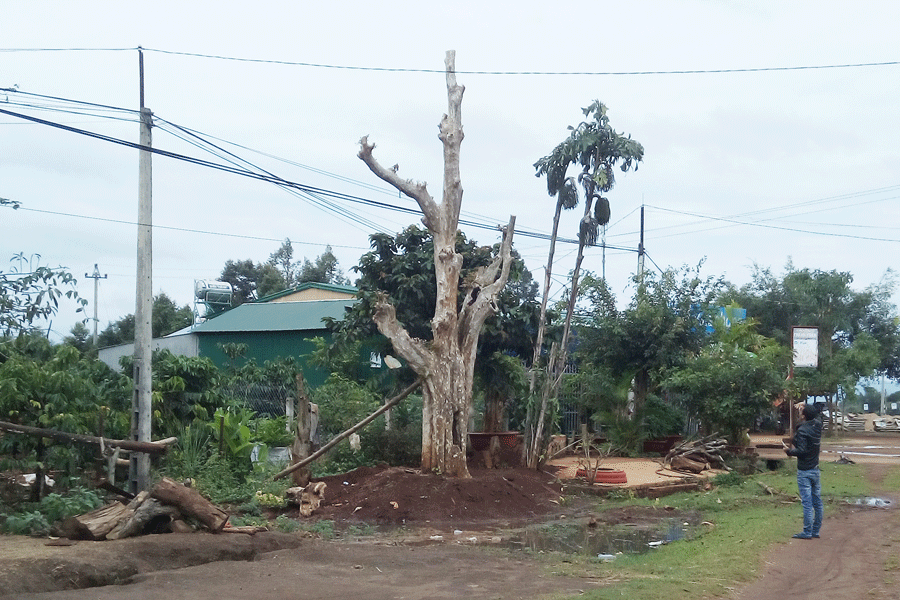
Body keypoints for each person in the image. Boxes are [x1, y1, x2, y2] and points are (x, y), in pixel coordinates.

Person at [783, 403, 823, 539]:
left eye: (801, 412)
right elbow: (815, 416)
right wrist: (804, 406)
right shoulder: (817, 426)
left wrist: (789, 451)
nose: (799, 414)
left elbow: (801, 450)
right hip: (815, 469)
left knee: (807, 503)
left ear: (804, 416)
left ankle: (807, 531)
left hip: (804, 471)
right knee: (817, 501)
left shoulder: (802, 430)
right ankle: (815, 531)